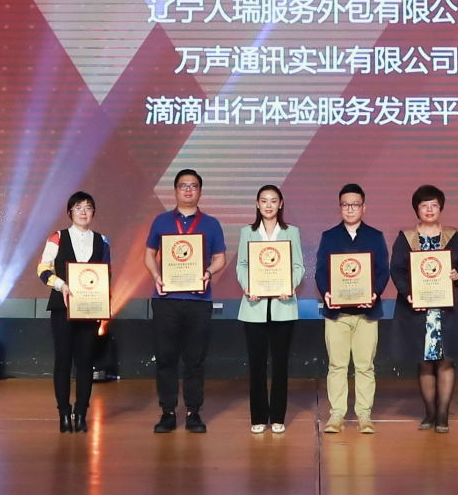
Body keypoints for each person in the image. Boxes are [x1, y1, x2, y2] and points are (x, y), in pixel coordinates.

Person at [143, 168, 227, 434]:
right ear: (175, 191)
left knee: (195, 359)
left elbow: (220, 258)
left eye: (193, 186)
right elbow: (149, 254)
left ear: (200, 191)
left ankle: (193, 412)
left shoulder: (211, 224)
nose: (188, 190)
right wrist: (156, 276)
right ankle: (167, 412)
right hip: (165, 299)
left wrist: (208, 273)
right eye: (183, 185)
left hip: (199, 301)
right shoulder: (161, 221)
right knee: (165, 358)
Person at [389, 184, 458, 433]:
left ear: (441, 208)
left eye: (434, 205)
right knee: (424, 362)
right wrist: (408, 293)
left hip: (446, 309)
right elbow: (397, 270)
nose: (429, 209)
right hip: (417, 309)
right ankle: (430, 413)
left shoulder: (452, 235)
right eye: (424, 205)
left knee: (446, 361)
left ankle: (443, 415)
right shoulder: (405, 237)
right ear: (416, 209)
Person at [315, 183, 389, 434]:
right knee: (337, 365)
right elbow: (321, 271)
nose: (350, 209)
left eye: (355, 204)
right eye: (345, 205)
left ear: (363, 207)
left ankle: (364, 414)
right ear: (340, 208)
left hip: (367, 313)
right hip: (337, 313)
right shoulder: (329, 236)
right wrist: (326, 292)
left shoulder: (375, 236)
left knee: (365, 365)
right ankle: (336, 414)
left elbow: (383, 270)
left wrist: (374, 292)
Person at [36, 190, 111, 434]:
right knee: (63, 360)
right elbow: (43, 268)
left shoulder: (102, 240)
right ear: (70, 212)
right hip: (62, 307)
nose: (83, 212)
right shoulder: (57, 237)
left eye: (88, 207)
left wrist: (103, 304)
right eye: (78, 207)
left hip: (89, 309)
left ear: (93, 213)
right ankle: (63, 414)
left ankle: (81, 414)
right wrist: (62, 285)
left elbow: (106, 274)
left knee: (85, 362)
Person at [236, 184, 305, 433]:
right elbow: (242, 265)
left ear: (281, 204)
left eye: (273, 200)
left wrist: (290, 285)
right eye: (264, 200)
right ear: (257, 204)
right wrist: (248, 286)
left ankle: (277, 417)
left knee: (280, 365)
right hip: (253, 306)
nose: (268, 205)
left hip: (283, 307)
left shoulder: (291, 232)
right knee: (256, 365)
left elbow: (298, 266)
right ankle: (258, 417)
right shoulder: (247, 232)